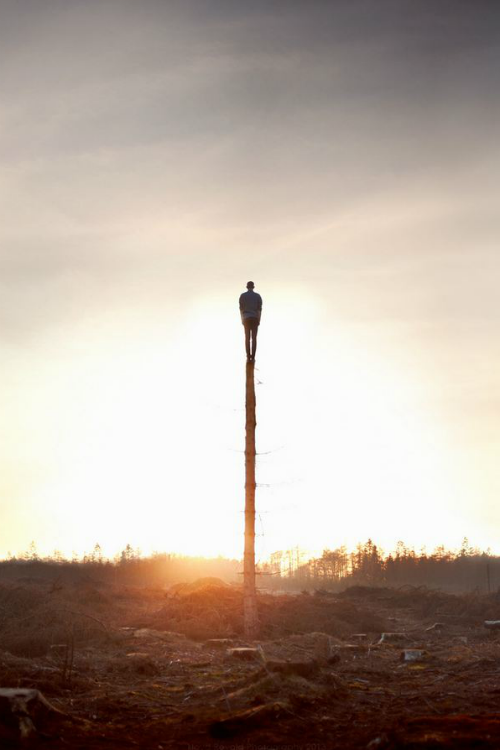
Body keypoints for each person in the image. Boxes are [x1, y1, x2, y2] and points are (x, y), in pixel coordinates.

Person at [239, 281, 262, 362]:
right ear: (253, 287)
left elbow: (241, 309)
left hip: (246, 318)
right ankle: (253, 357)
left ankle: (248, 357)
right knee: (254, 338)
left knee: (247, 338)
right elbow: (259, 310)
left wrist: (242, 319)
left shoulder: (242, 296)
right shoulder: (258, 296)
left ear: (247, 287)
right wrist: (259, 319)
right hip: (255, 318)